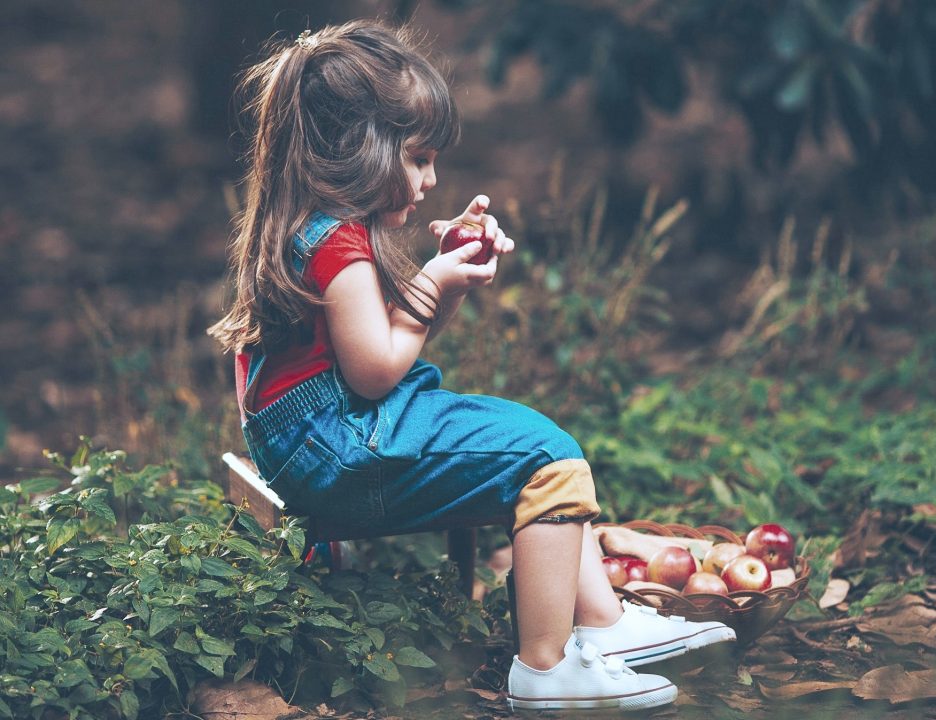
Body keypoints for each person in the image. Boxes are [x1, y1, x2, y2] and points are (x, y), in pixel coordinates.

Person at [208, 20, 735, 712]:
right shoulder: (338, 245)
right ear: (360, 151)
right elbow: (374, 372)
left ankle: (603, 627)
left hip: (323, 445)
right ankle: (546, 668)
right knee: (549, 458)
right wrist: (432, 280)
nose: (431, 179)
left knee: (538, 454)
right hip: (339, 451)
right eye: (419, 158)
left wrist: (446, 280)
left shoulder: (311, 229)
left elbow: (388, 353)